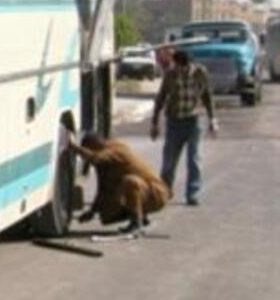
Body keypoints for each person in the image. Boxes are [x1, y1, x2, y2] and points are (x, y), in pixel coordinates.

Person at [71, 132, 171, 234]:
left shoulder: (115, 150)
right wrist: (92, 212)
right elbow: (103, 189)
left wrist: (74, 147)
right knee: (107, 212)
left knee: (130, 182)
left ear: (94, 146)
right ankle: (141, 216)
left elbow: (96, 158)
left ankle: (137, 222)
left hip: (157, 193)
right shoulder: (105, 161)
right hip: (146, 191)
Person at [151, 50, 216, 206]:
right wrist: (155, 123)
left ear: (186, 64)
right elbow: (161, 97)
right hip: (174, 122)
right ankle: (165, 191)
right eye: (176, 66)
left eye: (179, 66)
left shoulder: (200, 73)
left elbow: (207, 95)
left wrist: (212, 119)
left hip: (193, 121)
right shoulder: (170, 75)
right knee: (169, 162)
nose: (177, 69)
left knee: (194, 159)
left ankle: (192, 194)